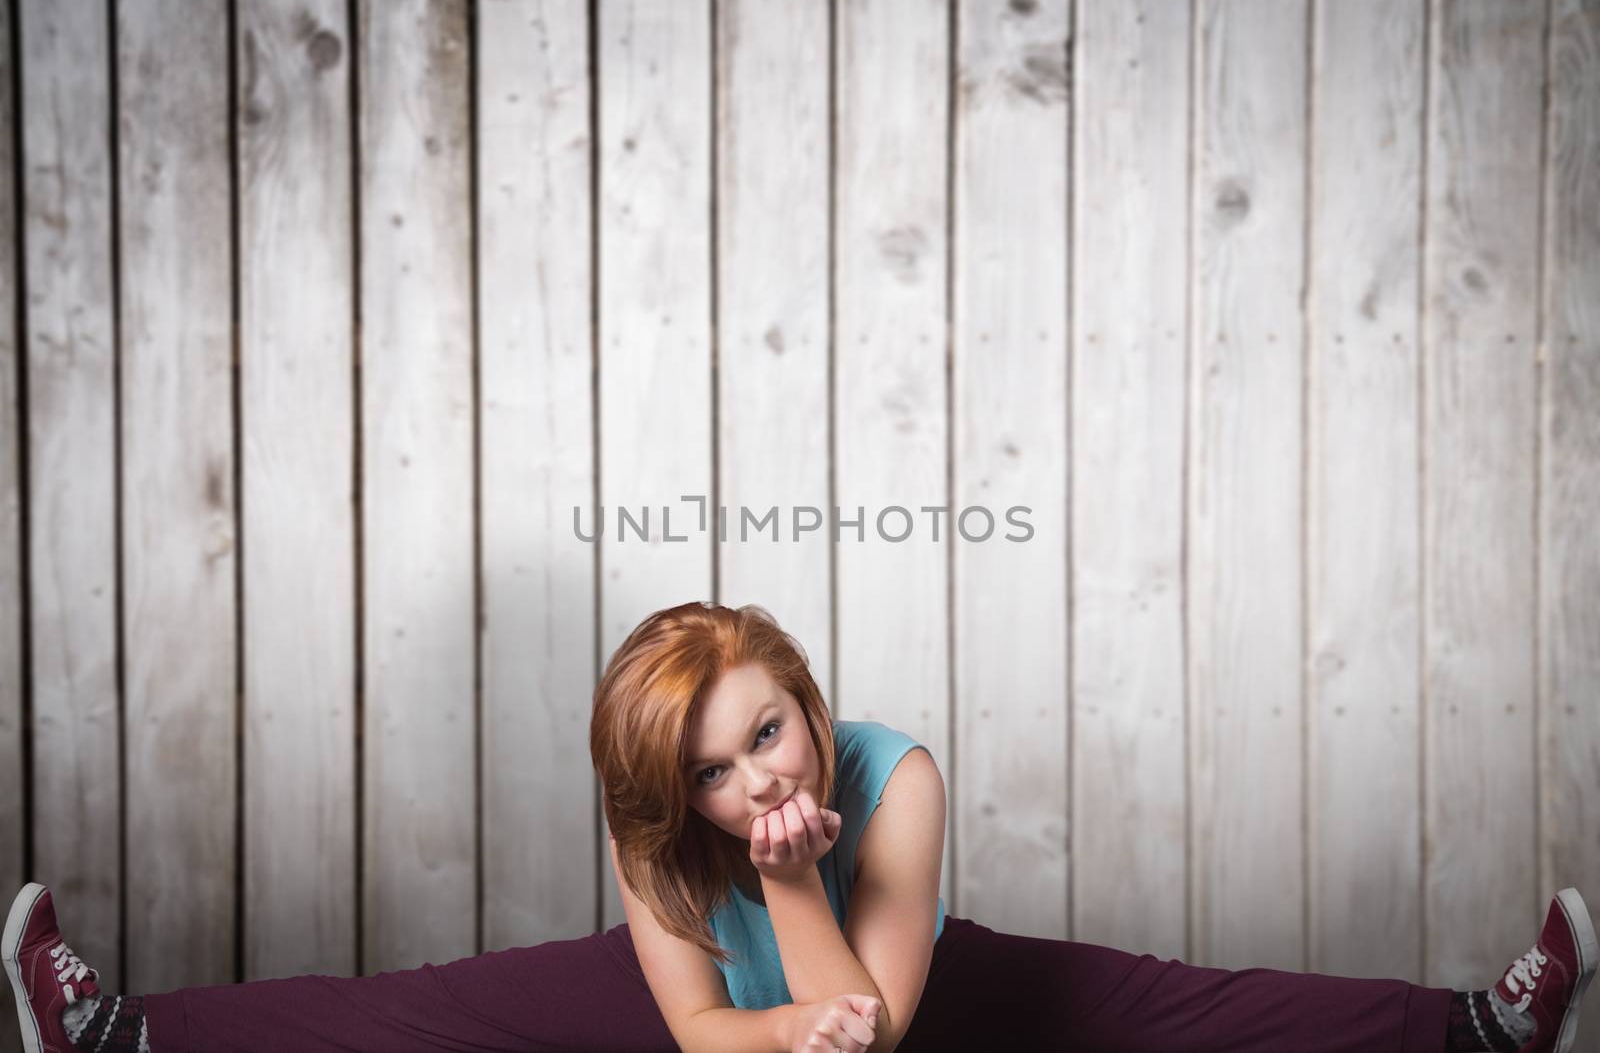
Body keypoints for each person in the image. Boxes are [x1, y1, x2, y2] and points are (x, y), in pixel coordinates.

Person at [4, 601, 1595, 1053]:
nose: (760, 781)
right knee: (426, 1008)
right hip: (712, 1001)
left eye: (769, 731)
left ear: (814, 709)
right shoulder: (658, 836)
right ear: (668, 794)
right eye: (717, 772)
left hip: (899, 989)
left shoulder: (894, 779)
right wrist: (777, 1024)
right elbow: (708, 1027)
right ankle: (120, 1038)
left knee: (1166, 1000)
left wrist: (802, 890)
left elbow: (876, 1036)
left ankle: (1470, 1027)